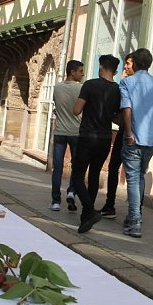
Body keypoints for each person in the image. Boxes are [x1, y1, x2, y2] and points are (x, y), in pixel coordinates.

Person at [119, 48, 153, 238]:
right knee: (139, 176)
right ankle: (133, 217)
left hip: (134, 136)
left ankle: (135, 219)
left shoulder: (127, 82)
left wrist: (129, 132)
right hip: (150, 138)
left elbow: (127, 109)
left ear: (136, 63)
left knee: (132, 178)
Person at [71, 54, 120, 234]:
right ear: (116, 71)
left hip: (87, 137)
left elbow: (76, 110)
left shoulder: (90, 85)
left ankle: (90, 210)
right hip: (105, 138)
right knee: (94, 176)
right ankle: (86, 219)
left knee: (77, 176)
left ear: (101, 68)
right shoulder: (117, 90)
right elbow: (118, 117)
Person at [100, 53, 135, 219]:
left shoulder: (126, 85)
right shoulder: (148, 85)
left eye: (128, 64)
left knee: (118, 168)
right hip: (136, 132)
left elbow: (122, 110)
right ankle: (132, 212)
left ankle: (111, 205)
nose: (126, 67)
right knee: (130, 172)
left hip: (126, 132)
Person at [50, 59, 84, 212]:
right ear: (72, 72)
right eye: (80, 71)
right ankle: (71, 192)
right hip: (76, 132)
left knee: (57, 167)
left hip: (60, 132)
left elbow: (57, 105)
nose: (82, 75)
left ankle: (56, 201)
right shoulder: (81, 89)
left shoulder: (57, 87)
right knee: (76, 166)